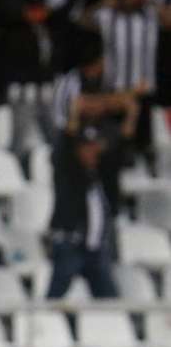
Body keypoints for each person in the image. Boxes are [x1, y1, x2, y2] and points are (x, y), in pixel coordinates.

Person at [46, 123, 133, 299]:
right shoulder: (67, 173)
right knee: (55, 297)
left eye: (95, 147)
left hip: (94, 248)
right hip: (71, 244)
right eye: (87, 147)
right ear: (77, 150)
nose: (93, 151)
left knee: (109, 300)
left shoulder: (100, 176)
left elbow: (121, 148)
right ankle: (39, 323)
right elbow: (62, 146)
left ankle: (115, 325)